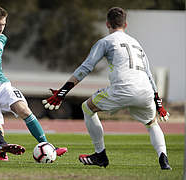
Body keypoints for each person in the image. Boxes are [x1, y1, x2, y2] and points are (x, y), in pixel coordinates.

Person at [42, 7, 171, 170]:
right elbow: (149, 74)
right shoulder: (137, 44)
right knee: (152, 123)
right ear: (126, 24)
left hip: (122, 89)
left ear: (107, 24)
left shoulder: (106, 41)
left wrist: (62, 92)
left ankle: (100, 155)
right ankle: (164, 160)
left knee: (87, 108)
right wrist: (158, 102)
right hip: (145, 91)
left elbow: (85, 68)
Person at [0, 6, 67, 161]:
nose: (1, 29)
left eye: (3, 25)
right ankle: (2, 154)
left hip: (2, 84)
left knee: (24, 110)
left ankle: (47, 145)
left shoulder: (2, 39)